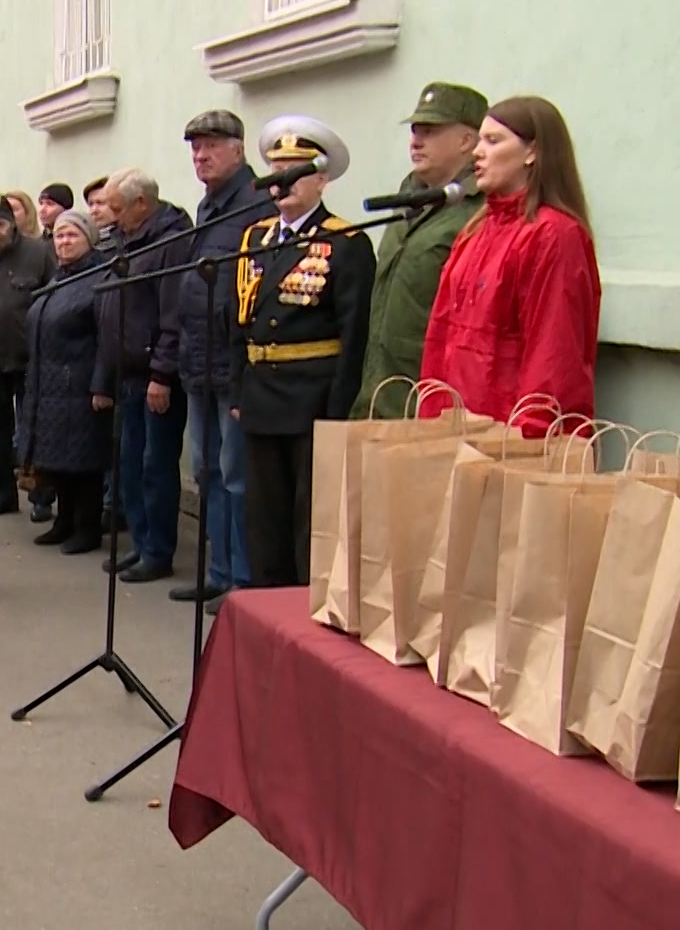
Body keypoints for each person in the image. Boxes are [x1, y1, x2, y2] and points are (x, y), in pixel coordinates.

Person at [232, 116, 376, 588]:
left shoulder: (343, 242)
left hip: (310, 395)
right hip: (260, 392)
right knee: (263, 512)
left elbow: (354, 334)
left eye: (296, 171)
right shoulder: (255, 240)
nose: (284, 182)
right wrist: (238, 388)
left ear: (321, 178)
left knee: (307, 515)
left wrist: (339, 409)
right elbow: (239, 321)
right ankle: (266, 599)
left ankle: (301, 604)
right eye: (277, 171)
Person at [419, 97, 600, 434]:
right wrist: (430, 424)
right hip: (455, 435)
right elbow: (440, 339)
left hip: (508, 441)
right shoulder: (474, 230)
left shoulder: (554, 235)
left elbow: (554, 355)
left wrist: (527, 444)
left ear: (533, 152)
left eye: (493, 140)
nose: (477, 151)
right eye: (479, 139)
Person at [171, 110, 272, 609]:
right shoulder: (210, 206)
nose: (200, 156)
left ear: (238, 148)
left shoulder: (256, 207)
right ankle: (218, 569)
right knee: (206, 470)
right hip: (198, 361)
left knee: (236, 476)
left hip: (232, 366)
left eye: (210, 145)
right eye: (194, 148)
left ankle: (243, 581)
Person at [350, 83, 490, 418]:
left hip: (431, 400)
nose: (415, 141)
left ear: (466, 141)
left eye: (430, 131)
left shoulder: (479, 209)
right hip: (379, 391)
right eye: (414, 131)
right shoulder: (409, 198)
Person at [97, 167, 192, 584]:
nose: (111, 217)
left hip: (156, 374)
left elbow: (173, 312)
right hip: (127, 371)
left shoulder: (171, 240)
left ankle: (158, 549)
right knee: (130, 464)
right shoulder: (128, 239)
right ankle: (140, 542)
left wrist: (162, 373)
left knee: (156, 465)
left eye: (117, 208)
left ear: (142, 204)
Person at [20, 211, 110, 554]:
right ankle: (64, 521)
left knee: (84, 461)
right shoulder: (60, 277)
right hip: (50, 382)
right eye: (59, 236)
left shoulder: (98, 278)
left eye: (72, 235)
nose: (64, 242)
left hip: (81, 383)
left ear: (90, 239)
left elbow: (106, 336)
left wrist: (101, 384)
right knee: (59, 458)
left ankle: (86, 529)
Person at [0, 195, 55, 520]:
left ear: (12, 225)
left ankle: (41, 497)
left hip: (31, 358)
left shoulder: (38, 252)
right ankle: (2, 495)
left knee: (33, 429)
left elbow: (54, 295)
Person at [83, 175, 120, 251]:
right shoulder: (86, 245)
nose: (94, 210)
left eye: (100, 203)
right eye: (90, 204)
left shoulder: (129, 240)